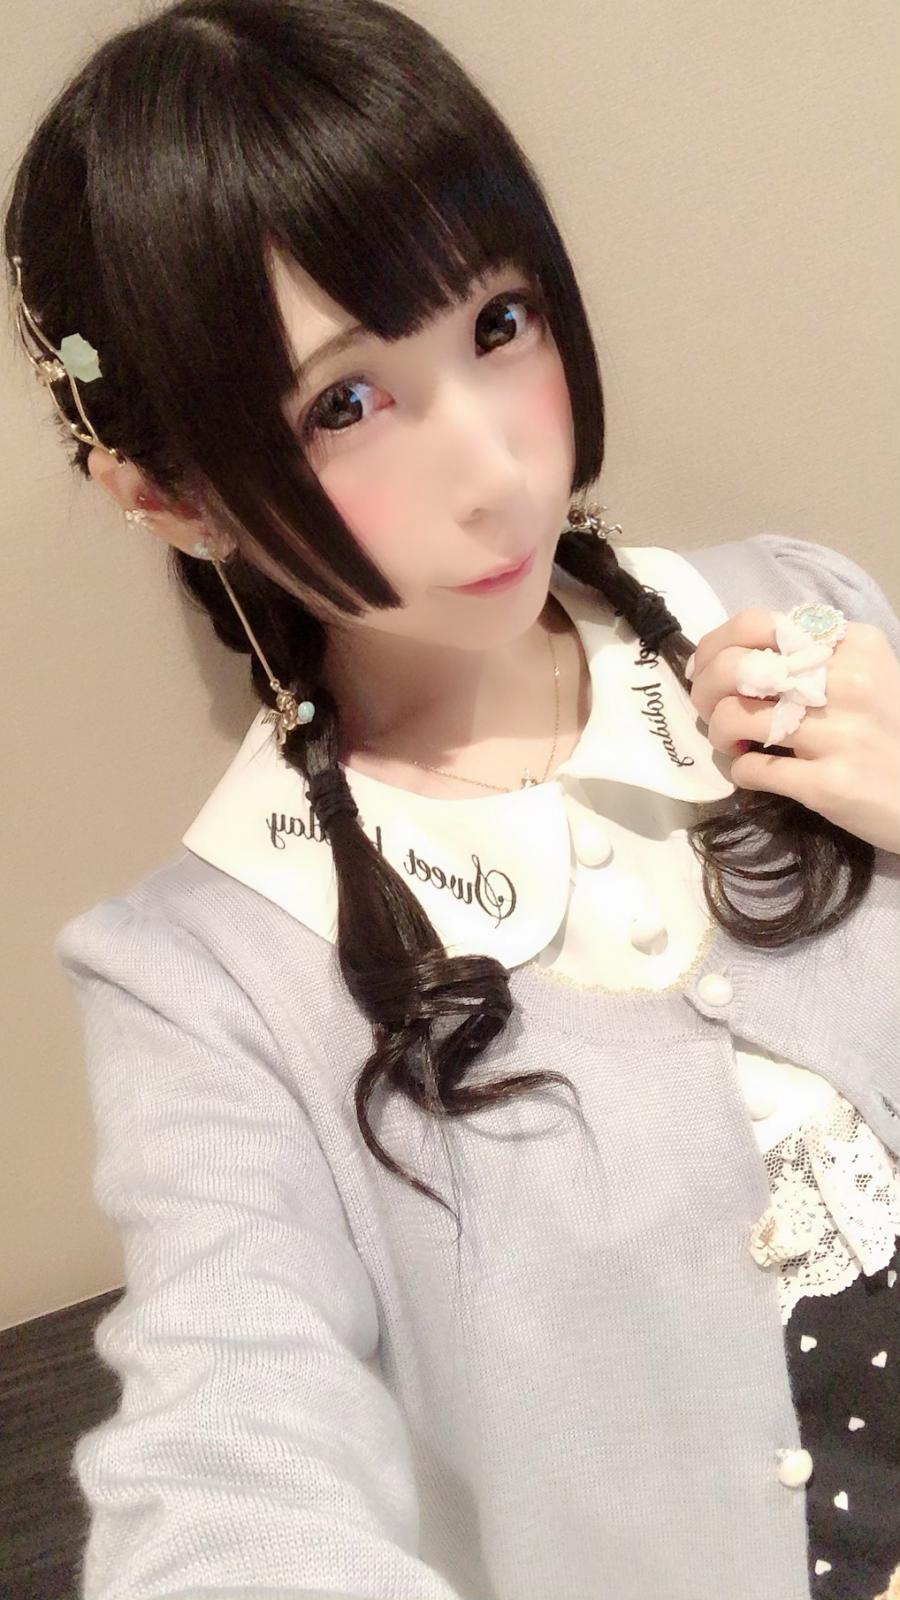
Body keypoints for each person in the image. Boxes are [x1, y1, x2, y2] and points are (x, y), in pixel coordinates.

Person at [5, 1, 899, 1596]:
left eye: (498, 320)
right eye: (344, 404)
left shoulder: (805, 626)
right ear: (171, 495)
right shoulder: (206, 985)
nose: (496, 472)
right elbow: (221, 1472)